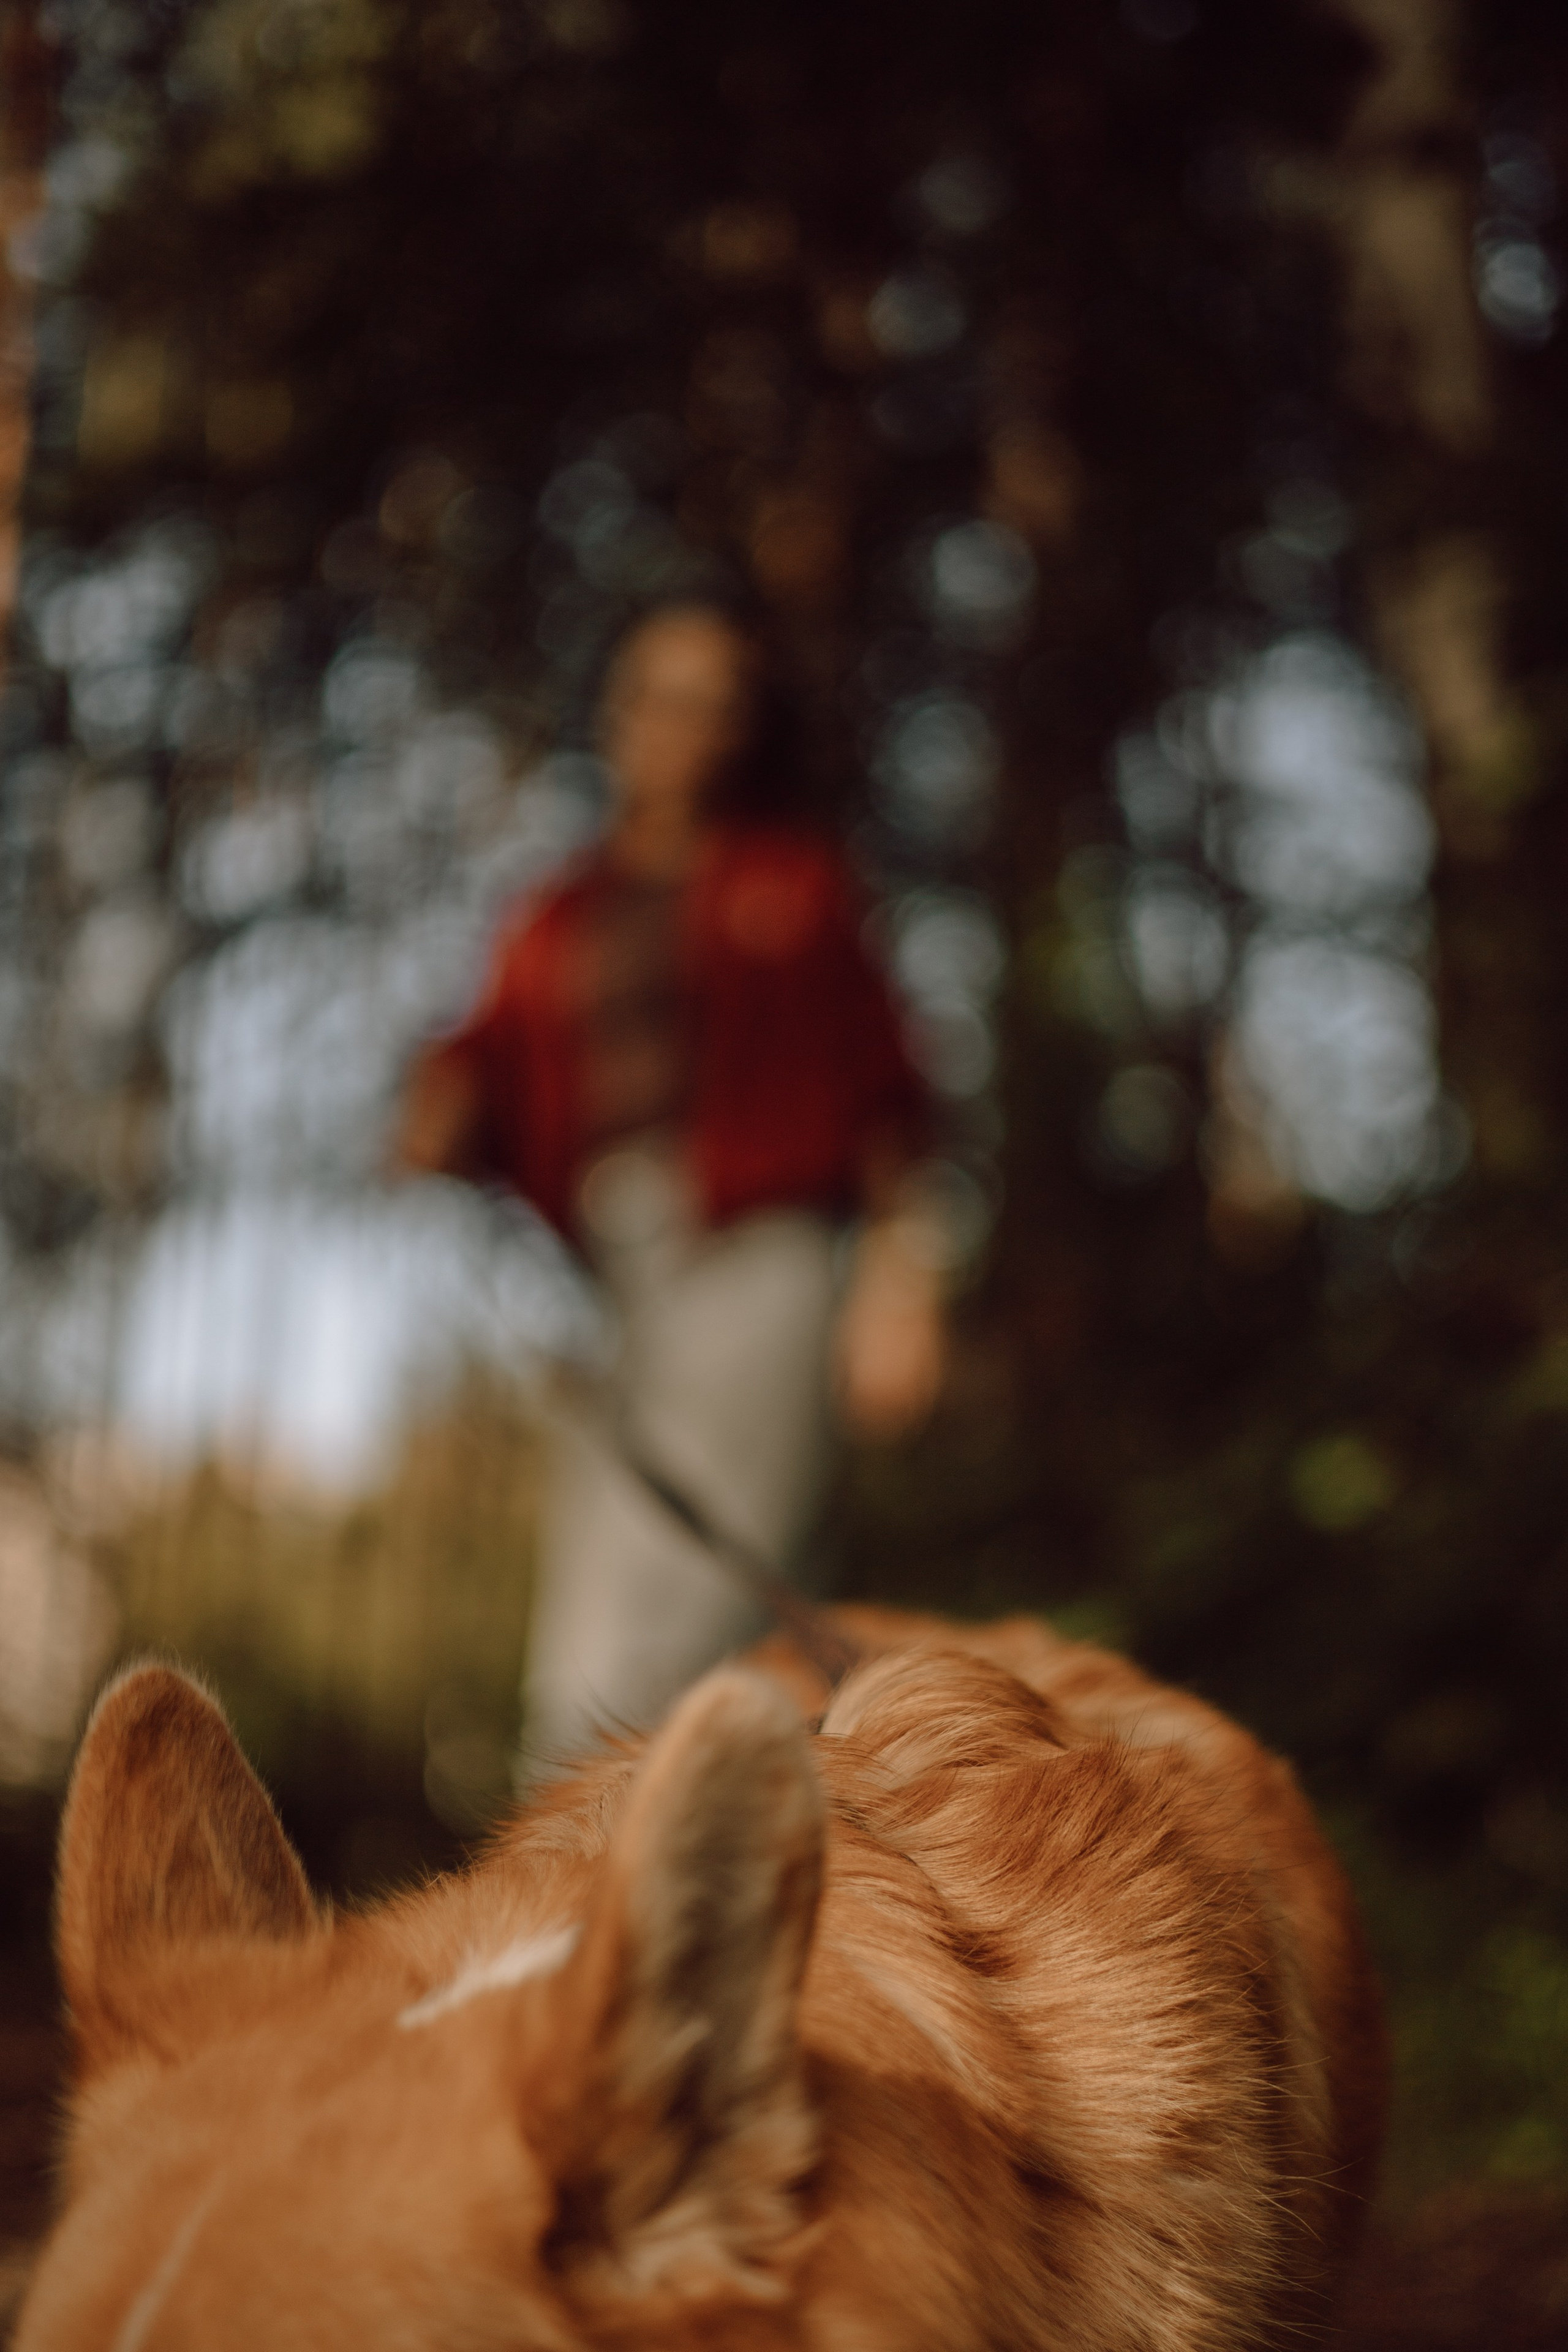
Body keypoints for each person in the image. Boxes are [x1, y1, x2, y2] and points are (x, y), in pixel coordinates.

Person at [396, 599, 948, 1770]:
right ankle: (594, 1859)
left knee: (716, 1586)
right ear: (615, 713)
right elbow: (482, 1058)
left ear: (746, 731)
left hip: (766, 1253)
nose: (681, 726)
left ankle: (663, 1850)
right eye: (657, 695)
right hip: (617, 1268)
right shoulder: (559, 913)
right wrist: (442, 1103)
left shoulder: (798, 888)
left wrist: (904, 1285)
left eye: (714, 704)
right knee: (602, 1578)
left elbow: (895, 1106)